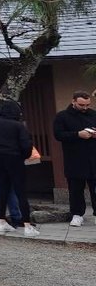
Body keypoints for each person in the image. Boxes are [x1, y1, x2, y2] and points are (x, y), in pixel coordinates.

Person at [0, 100, 40, 237]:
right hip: (14, 158)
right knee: (20, 191)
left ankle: (1, 222)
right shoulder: (18, 126)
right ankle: (27, 225)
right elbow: (26, 145)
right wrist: (23, 156)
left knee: (3, 189)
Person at [53, 90, 96, 228]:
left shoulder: (93, 114)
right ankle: (77, 215)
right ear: (73, 101)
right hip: (74, 158)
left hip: (93, 156)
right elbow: (58, 135)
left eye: (87, 105)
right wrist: (78, 134)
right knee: (75, 188)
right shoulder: (62, 116)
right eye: (81, 105)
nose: (85, 108)